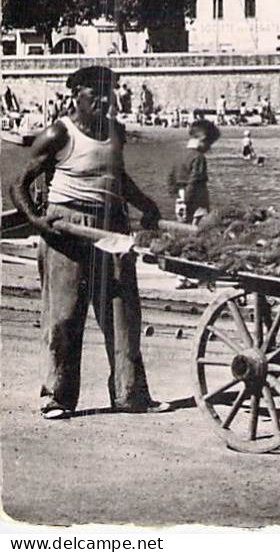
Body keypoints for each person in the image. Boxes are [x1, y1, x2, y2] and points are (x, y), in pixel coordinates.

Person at [8, 66, 171, 419]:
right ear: (76, 95)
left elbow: (118, 178)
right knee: (64, 314)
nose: (103, 100)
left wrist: (147, 206)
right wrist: (37, 222)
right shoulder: (57, 134)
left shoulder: (116, 132)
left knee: (123, 312)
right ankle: (57, 397)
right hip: (67, 227)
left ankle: (131, 395)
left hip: (112, 226)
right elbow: (18, 184)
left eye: (108, 92)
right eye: (94, 93)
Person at [171, 119, 220, 225]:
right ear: (203, 139)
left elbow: (171, 177)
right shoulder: (198, 157)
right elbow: (194, 179)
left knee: (183, 223)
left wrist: (176, 195)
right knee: (200, 225)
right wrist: (188, 198)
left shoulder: (180, 155)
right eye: (209, 144)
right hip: (196, 198)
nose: (209, 148)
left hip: (179, 196)